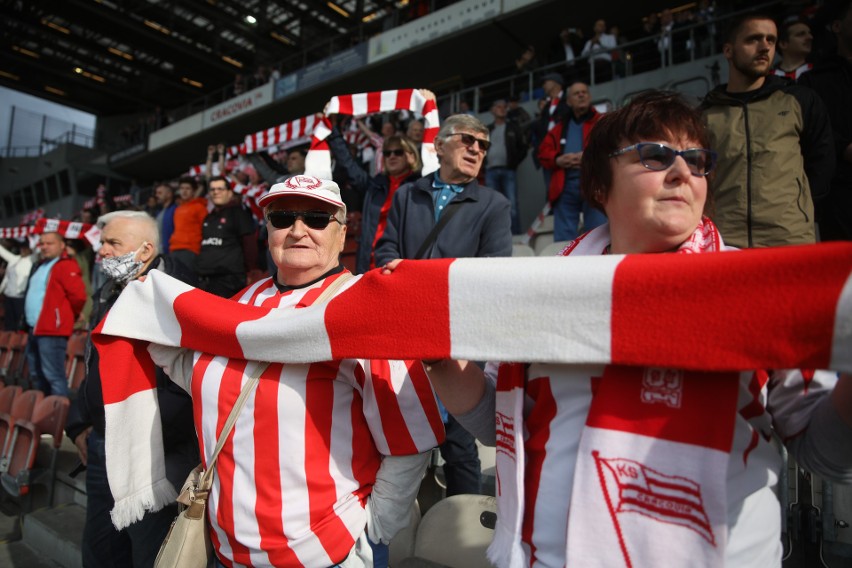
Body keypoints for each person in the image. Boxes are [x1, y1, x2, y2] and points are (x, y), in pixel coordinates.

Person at [408, 90, 852, 568]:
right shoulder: (543, 285)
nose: (683, 172)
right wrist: (430, 348)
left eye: (698, 160)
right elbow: (497, 421)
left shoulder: (761, 290)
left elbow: (826, 456)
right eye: (655, 155)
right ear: (599, 186)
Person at [113, 176, 445, 567]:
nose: (298, 230)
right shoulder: (243, 301)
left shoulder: (368, 313)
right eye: (283, 218)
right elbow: (204, 375)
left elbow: (410, 440)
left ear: (342, 234)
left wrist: (374, 531)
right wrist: (145, 321)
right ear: (267, 230)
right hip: (224, 549)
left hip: (324, 554)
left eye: (317, 219)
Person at [375, 114, 512, 497]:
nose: (476, 149)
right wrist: (393, 270)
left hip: (460, 330)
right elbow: (386, 247)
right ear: (439, 146)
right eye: (468, 140)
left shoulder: (494, 203)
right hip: (406, 327)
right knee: (400, 432)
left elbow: (495, 268)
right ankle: (399, 527)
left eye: (483, 145)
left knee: (459, 442)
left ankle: (460, 527)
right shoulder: (407, 194)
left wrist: (430, 282)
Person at [65, 210, 198, 568]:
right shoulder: (109, 290)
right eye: (102, 242)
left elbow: (189, 383)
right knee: (101, 551)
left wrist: (146, 433)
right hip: (101, 446)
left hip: (152, 453)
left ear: (144, 250)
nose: (102, 251)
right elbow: (94, 365)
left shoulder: (180, 296)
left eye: (113, 243)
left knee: (149, 552)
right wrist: (79, 422)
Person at [701, 12, 835, 248]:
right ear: (728, 51)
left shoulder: (798, 100)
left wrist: (801, 211)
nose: (764, 47)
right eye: (753, 39)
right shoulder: (706, 114)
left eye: (770, 40)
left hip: (789, 237)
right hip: (727, 240)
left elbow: (822, 162)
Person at [327, 126, 422, 274]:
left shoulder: (421, 188)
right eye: (387, 153)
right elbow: (347, 164)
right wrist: (333, 131)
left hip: (401, 265)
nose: (392, 156)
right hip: (369, 264)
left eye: (398, 152)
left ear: (411, 156)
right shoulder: (374, 186)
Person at [800, 0, 852, 241]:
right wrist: (844, 148)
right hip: (840, 194)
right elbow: (814, 136)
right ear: (837, 26)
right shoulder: (814, 81)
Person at [538, 81, 607, 241]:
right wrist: (558, 159)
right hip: (565, 187)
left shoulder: (603, 123)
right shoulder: (559, 128)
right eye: (576, 93)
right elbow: (543, 153)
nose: (581, 95)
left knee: (598, 234)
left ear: (589, 97)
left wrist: (590, 156)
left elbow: (614, 148)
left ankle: (598, 266)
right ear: (569, 101)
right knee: (563, 239)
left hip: (594, 184)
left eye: (584, 92)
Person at [23, 231, 87, 396]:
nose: (44, 247)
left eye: (49, 243)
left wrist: (70, 314)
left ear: (62, 245)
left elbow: (79, 296)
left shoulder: (66, 265)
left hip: (51, 329)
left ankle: (58, 415)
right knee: (37, 375)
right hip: (34, 328)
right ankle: (42, 413)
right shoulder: (40, 265)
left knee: (53, 376)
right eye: (42, 243)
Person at [196, 175, 257, 298]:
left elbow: (249, 244)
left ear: (229, 192)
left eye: (220, 189)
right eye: (212, 189)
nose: (216, 192)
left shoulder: (239, 213)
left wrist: (252, 271)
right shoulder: (209, 217)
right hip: (205, 279)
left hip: (229, 280)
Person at [485, 99, 528, 235]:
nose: (502, 109)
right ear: (492, 110)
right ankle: (493, 236)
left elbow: (523, 148)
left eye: (504, 107)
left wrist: (514, 162)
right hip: (490, 171)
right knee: (492, 205)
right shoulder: (487, 129)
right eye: (498, 106)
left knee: (512, 205)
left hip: (508, 170)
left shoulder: (513, 127)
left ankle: (515, 235)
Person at [168, 176, 209, 272]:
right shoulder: (178, 209)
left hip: (191, 250)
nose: (184, 191)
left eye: (188, 188)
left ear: (194, 191)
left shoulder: (199, 207)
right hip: (174, 249)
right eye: (182, 188)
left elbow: (206, 230)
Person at [0, 241, 32, 331]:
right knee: (9, 322)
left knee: (19, 323)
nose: (23, 250)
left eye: (25, 248)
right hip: (9, 296)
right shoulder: (14, 259)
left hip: (20, 298)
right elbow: (2, 251)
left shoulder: (31, 260)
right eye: (22, 248)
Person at [153, 182, 177, 255]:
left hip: (169, 253)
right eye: (156, 193)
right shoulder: (159, 212)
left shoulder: (175, 210)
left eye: (160, 193)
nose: (156, 195)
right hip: (159, 253)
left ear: (169, 194)